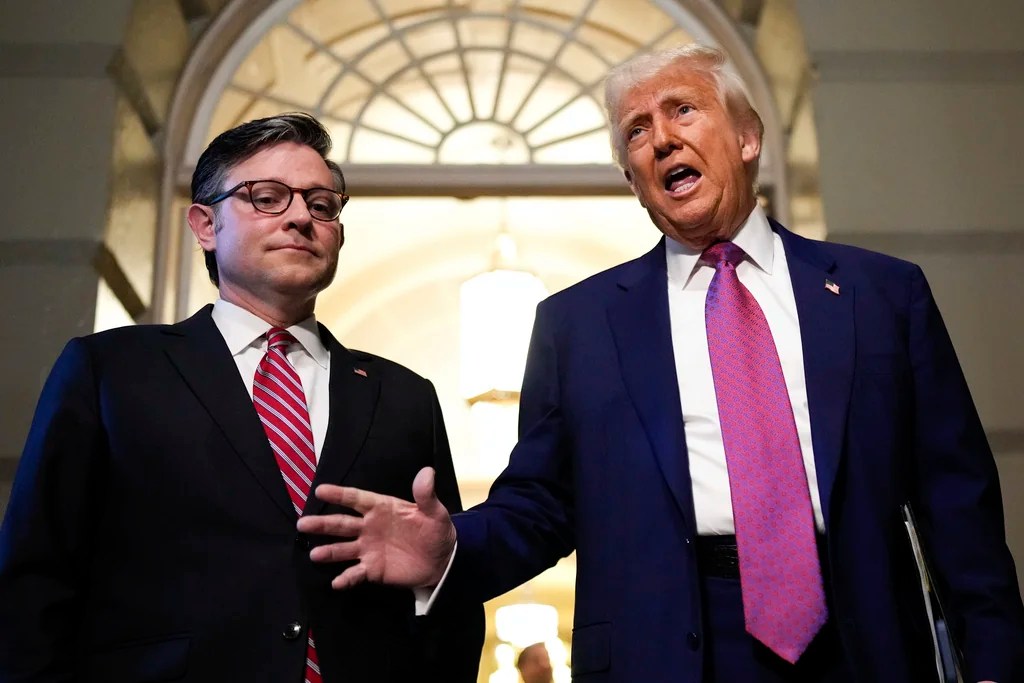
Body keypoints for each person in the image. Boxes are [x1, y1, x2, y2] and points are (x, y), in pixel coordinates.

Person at [296, 45, 1024, 682]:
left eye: (683, 110)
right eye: (636, 132)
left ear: (746, 136)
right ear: (632, 178)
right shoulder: (577, 324)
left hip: (865, 639)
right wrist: (453, 546)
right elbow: (541, 505)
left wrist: (993, 662)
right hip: (669, 645)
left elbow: (954, 501)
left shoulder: (879, 293)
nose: (660, 139)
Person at [0, 113, 483, 682]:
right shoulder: (110, 371)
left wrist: (434, 577)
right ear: (205, 225)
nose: (302, 216)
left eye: (322, 204)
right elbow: (35, 583)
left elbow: (447, 583)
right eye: (267, 197)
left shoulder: (404, 396)